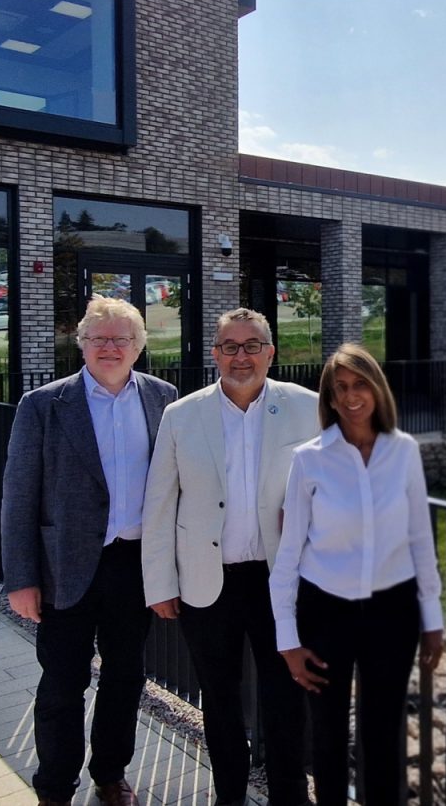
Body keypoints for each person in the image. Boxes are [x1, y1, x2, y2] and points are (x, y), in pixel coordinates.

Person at [1, 296, 177, 806]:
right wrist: (21, 578)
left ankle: (110, 774)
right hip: (65, 568)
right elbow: (18, 495)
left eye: (122, 338)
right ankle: (55, 788)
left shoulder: (164, 398)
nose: (110, 347)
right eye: (99, 338)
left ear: (139, 346)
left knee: (126, 678)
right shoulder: (43, 404)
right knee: (62, 684)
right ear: (81, 344)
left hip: (134, 565)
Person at [142, 308, 319, 806]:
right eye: (230, 347)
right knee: (218, 699)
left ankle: (290, 796)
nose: (242, 356)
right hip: (206, 582)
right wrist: (160, 584)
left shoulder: (308, 408)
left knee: (287, 696)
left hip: (281, 581)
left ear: (271, 352)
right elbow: (159, 504)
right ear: (215, 354)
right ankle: (230, 796)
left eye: (252, 345)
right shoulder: (181, 415)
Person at [269, 343, 446, 806]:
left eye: (360, 384)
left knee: (384, 733)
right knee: (327, 735)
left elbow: (420, 538)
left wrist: (432, 619)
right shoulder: (309, 459)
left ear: (377, 388)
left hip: (393, 611)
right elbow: (289, 553)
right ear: (329, 398)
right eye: (340, 388)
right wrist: (287, 640)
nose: (351, 396)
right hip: (325, 611)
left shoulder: (403, 451)